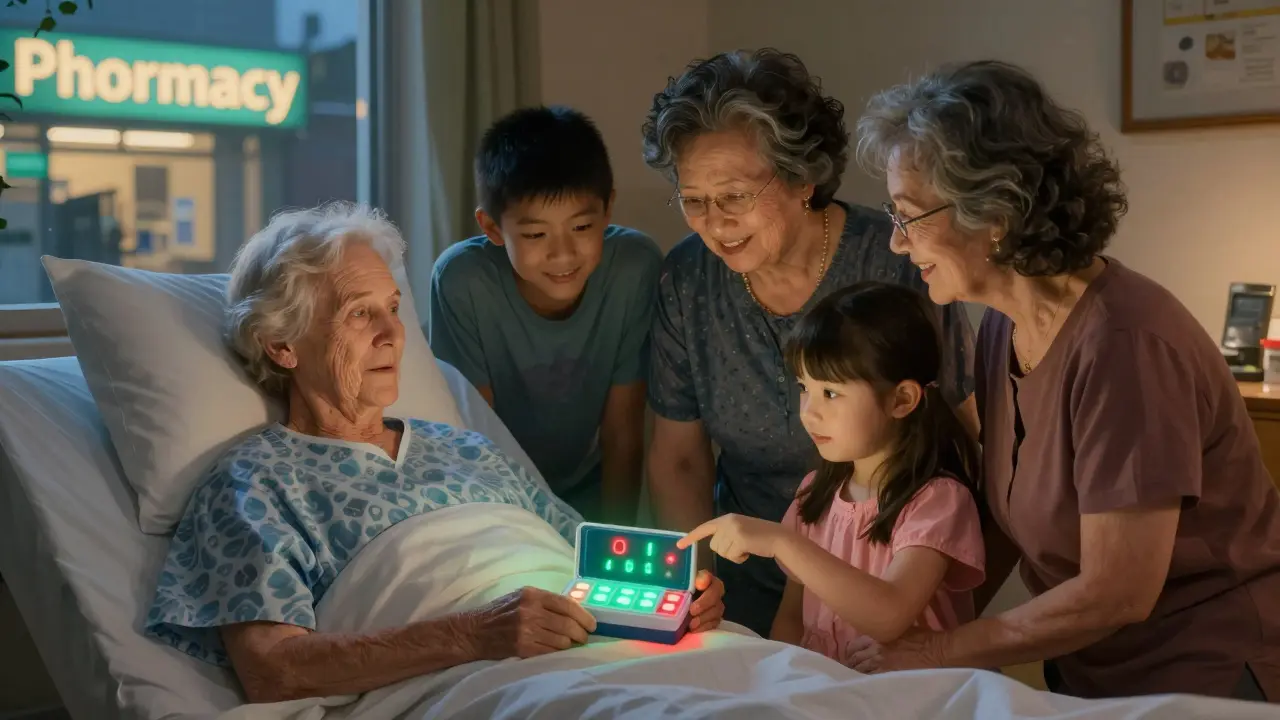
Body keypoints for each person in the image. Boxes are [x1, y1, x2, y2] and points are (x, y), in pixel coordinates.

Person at [143, 202, 724, 704]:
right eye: (358, 313)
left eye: (394, 307)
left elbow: (589, 564)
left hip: (616, 650)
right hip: (492, 683)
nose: (393, 335)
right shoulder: (254, 483)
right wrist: (474, 634)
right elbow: (273, 670)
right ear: (282, 345)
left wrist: (667, 602)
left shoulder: (466, 446)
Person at [848, 59, 1280, 702]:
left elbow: (1117, 590)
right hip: (1090, 671)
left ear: (992, 212)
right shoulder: (1005, 328)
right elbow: (1001, 522)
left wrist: (940, 650)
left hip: (1207, 676)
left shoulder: (1125, 347)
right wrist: (914, 627)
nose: (896, 243)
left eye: (909, 216)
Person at [640, 47, 977, 637]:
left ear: (802, 178)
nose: (716, 222)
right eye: (694, 200)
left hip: (895, 589)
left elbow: (973, 438)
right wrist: (693, 595)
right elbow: (680, 459)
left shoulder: (895, 258)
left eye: (736, 196)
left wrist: (957, 628)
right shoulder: (687, 279)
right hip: (753, 593)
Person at [679, 282, 985, 668]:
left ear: (901, 399)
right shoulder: (815, 494)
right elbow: (792, 618)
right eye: (805, 387)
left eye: (832, 393)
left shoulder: (937, 501)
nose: (809, 412)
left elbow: (889, 616)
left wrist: (780, 542)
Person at [428, 106, 661, 525]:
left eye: (582, 228)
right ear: (493, 228)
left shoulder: (634, 269)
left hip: (589, 486)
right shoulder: (464, 281)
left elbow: (622, 432)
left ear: (608, 210)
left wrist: (613, 545)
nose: (562, 253)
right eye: (536, 234)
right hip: (494, 492)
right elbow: (473, 439)